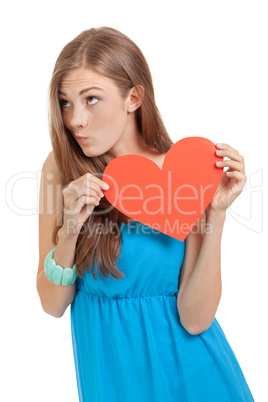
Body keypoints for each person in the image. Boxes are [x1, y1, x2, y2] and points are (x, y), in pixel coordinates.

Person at [36, 27, 254, 402]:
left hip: (195, 378)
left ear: (133, 97)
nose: (75, 121)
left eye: (91, 99)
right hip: (112, 382)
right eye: (66, 102)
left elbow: (195, 318)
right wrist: (70, 229)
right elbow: (52, 304)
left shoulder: (187, 172)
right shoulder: (61, 169)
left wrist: (215, 215)